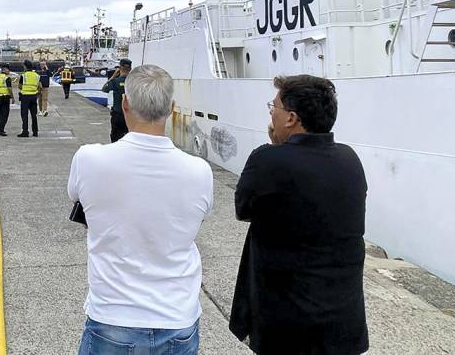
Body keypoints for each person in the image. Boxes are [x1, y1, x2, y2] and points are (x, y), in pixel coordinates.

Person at [68, 64, 213, 354]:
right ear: (171, 107)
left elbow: (76, 196)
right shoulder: (200, 171)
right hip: (177, 317)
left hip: (113, 316)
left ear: (125, 103)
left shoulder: (89, 159)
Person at [229, 75, 369, 355]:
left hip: (287, 325)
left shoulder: (267, 160)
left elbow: (243, 209)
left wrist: (277, 149)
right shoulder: (350, 159)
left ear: (291, 118)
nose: (271, 112)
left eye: (274, 107)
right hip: (342, 323)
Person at [101, 58, 131, 142]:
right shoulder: (133, 82)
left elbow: (104, 89)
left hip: (117, 115)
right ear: (130, 69)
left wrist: (113, 76)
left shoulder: (115, 81)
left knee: (115, 136)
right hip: (130, 115)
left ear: (120, 68)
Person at [17, 60, 40, 138]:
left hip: (25, 97)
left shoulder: (23, 76)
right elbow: (39, 86)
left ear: (25, 66)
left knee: (24, 115)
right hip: (34, 96)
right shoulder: (37, 75)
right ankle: (35, 132)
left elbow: (19, 86)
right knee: (34, 115)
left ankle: (25, 131)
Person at [0, 64, 14, 136]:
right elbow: (9, 89)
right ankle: (0, 129)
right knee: (5, 114)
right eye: (8, 69)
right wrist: (12, 97)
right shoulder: (7, 78)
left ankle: (0, 128)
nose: (9, 71)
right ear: (5, 69)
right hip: (5, 98)